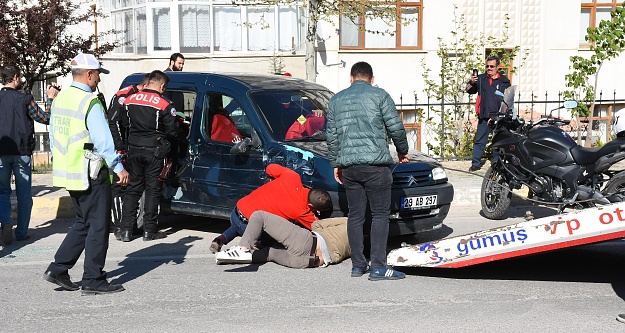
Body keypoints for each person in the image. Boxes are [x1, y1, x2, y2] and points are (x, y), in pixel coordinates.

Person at [43, 53, 129, 295]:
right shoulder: (88, 101)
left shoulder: (60, 99)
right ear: (89, 74)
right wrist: (118, 167)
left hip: (70, 171)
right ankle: (93, 279)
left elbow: (53, 136)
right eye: (98, 74)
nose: (99, 79)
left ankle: (59, 268)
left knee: (83, 222)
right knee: (99, 226)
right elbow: (103, 139)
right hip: (91, 172)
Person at [326, 61, 410, 281]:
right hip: (376, 166)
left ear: (351, 78)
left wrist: (336, 163)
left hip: (350, 168)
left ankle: (357, 265)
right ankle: (378, 267)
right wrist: (402, 151)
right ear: (372, 79)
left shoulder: (336, 100)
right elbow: (396, 128)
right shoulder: (380, 95)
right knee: (380, 214)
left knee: (355, 215)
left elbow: (332, 136)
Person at [210, 163, 333, 253]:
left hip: (236, 211)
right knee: (276, 233)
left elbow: (270, 167)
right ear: (311, 206)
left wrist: (270, 181)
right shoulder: (301, 211)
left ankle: (219, 240)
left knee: (239, 224)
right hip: (249, 227)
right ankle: (258, 246)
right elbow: (317, 227)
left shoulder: (292, 177)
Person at [0, 65, 58, 244]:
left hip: (1, 152)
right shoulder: (25, 99)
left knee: (2, 191)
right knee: (24, 194)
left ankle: (6, 222)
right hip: (22, 152)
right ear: (15, 77)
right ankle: (21, 232)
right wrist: (50, 99)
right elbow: (46, 118)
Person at [119, 70, 178, 242]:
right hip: (155, 152)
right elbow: (172, 131)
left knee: (132, 189)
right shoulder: (164, 103)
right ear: (162, 86)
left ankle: (126, 231)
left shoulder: (129, 99)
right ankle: (149, 231)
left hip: (134, 149)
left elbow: (124, 123)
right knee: (152, 190)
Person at [216, 211, 350, 268]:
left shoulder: (350, 222)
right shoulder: (364, 244)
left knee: (259, 216)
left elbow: (316, 225)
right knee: (269, 253)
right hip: (308, 262)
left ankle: (242, 248)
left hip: (308, 242)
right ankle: (228, 256)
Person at [107, 74, 149, 239]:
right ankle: (119, 226)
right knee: (119, 187)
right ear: (144, 86)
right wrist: (120, 147)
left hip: (134, 148)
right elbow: (113, 122)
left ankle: (130, 224)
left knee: (134, 186)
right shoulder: (124, 96)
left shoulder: (136, 95)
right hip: (121, 148)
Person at [465, 55, 511, 172]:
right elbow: (468, 90)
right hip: (484, 115)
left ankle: (497, 163)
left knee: (498, 141)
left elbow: (509, 97)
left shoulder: (504, 81)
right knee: (480, 140)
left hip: (499, 116)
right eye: (487, 66)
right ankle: (475, 163)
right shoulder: (480, 79)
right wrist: (471, 82)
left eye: (492, 66)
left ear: (497, 67)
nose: (489, 68)